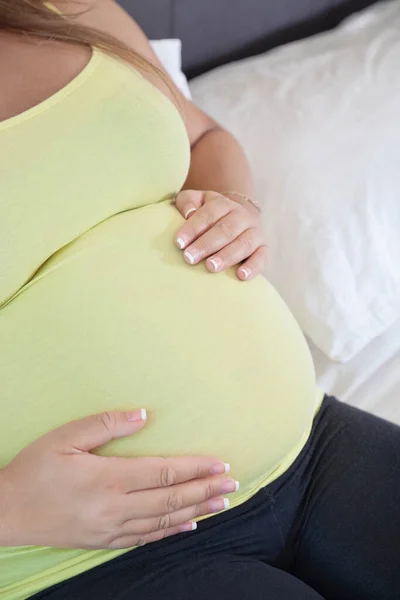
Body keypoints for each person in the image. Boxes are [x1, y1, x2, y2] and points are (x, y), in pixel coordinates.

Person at [0, 1, 399, 599]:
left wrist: (233, 204)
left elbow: (203, 135)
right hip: (85, 558)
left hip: (310, 444)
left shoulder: (54, 8)